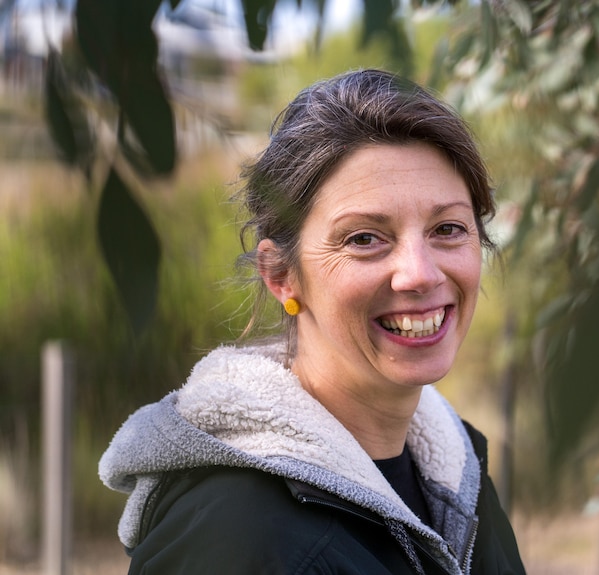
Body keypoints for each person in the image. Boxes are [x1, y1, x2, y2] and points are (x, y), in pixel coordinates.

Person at [99, 69, 526, 574]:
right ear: (281, 276)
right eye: (364, 238)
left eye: (448, 229)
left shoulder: (457, 479)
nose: (419, 273)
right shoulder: (236, 539)